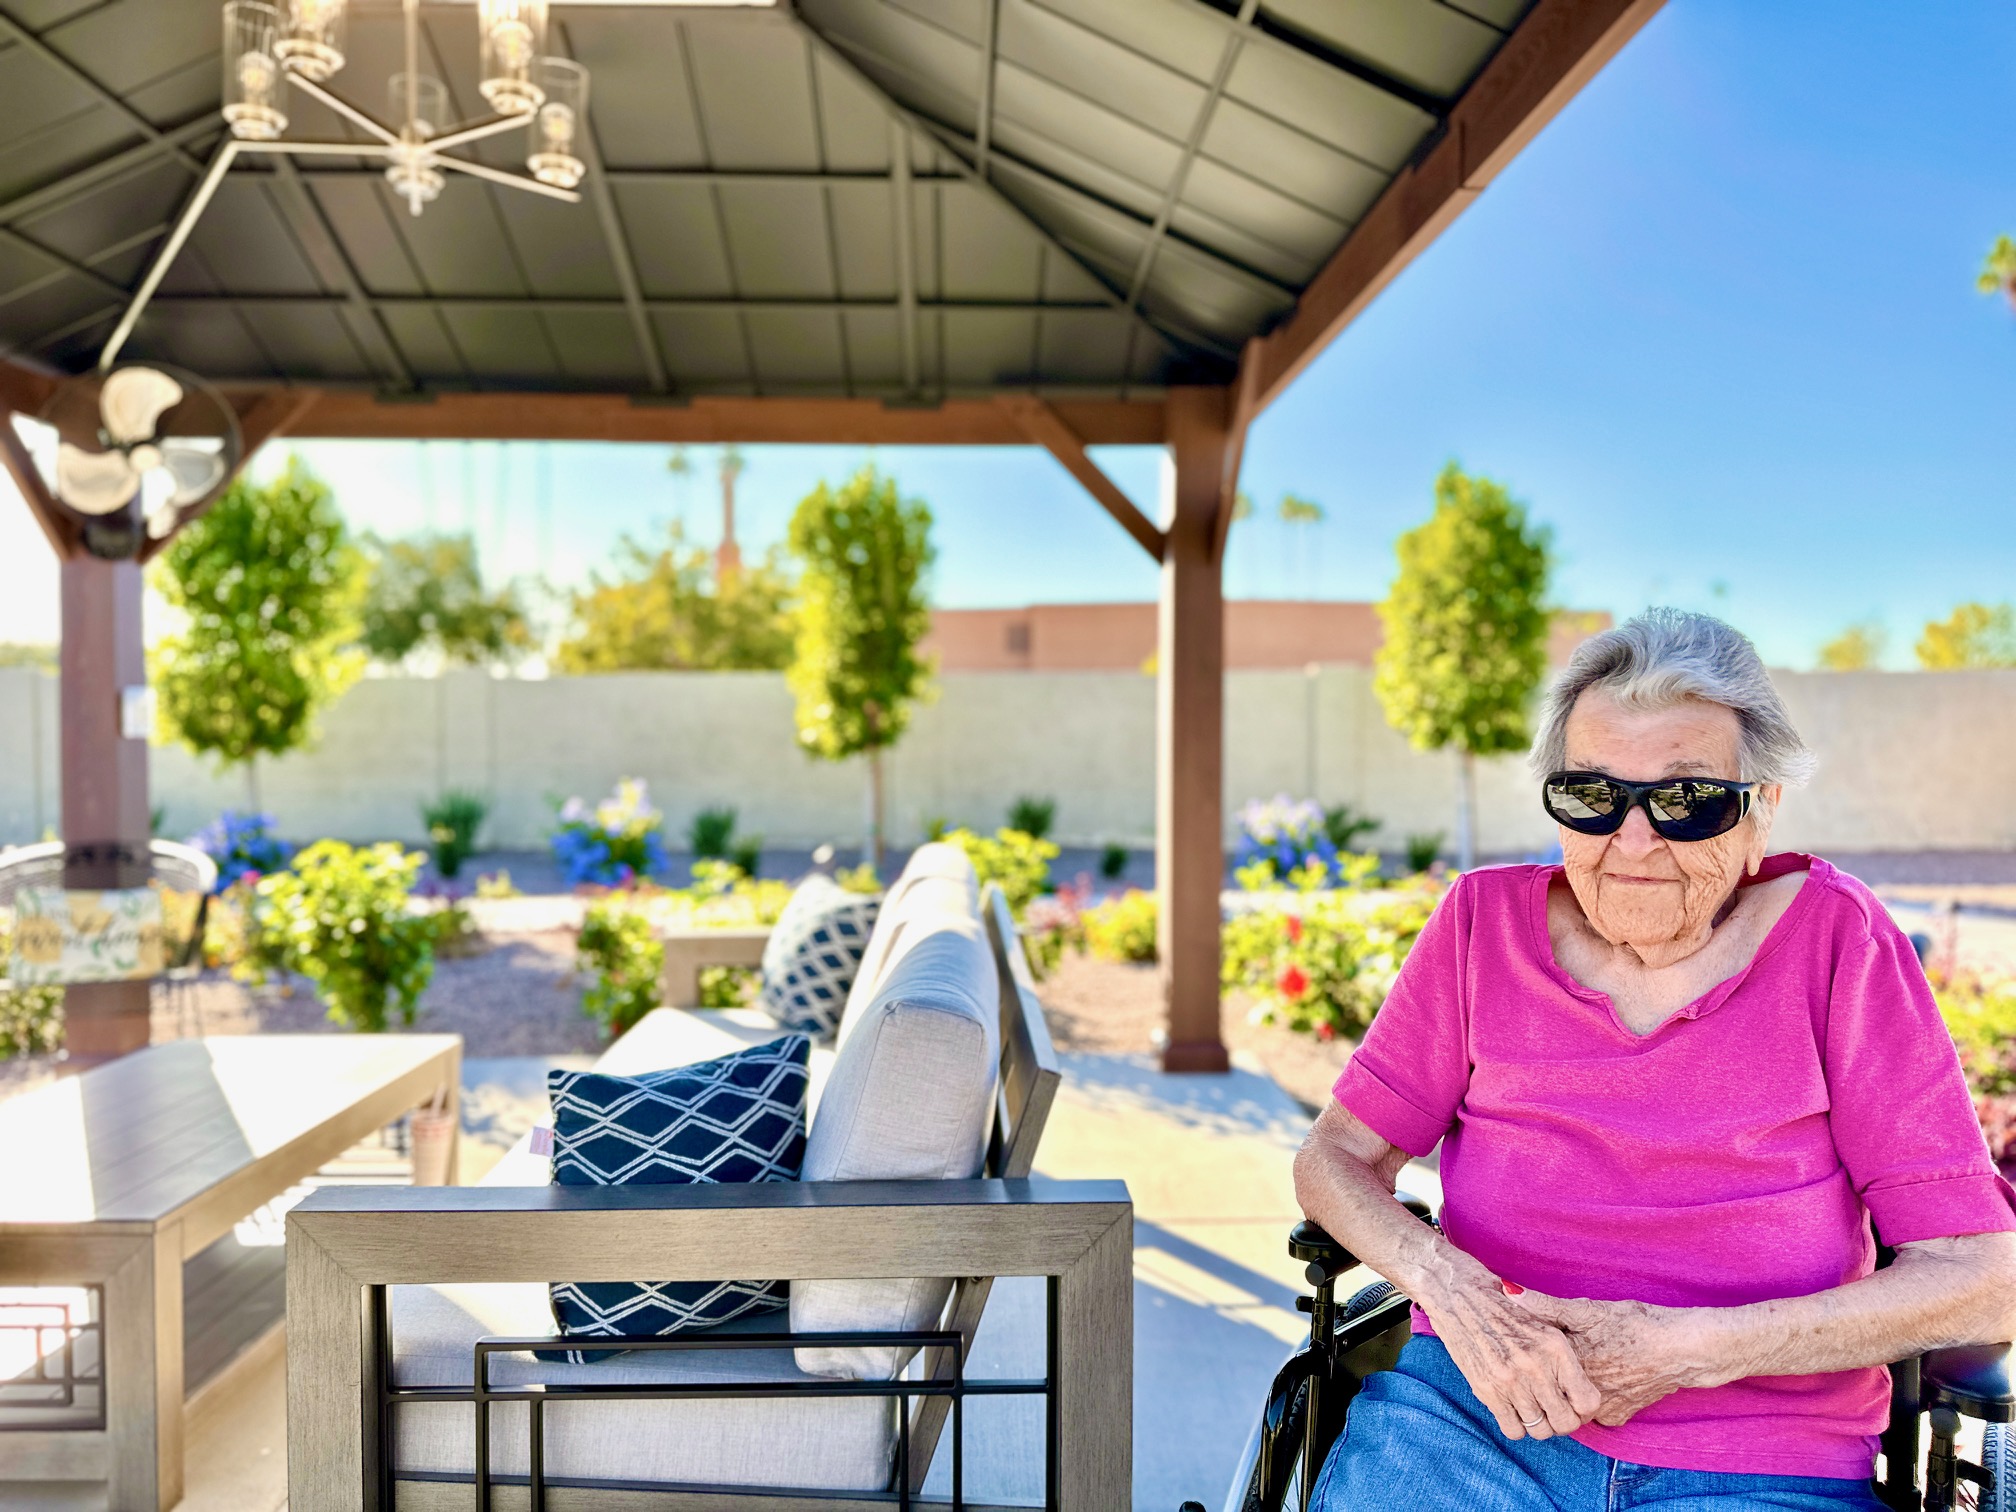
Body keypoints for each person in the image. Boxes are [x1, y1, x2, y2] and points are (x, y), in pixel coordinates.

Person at [1296, 607, 2016, 1511]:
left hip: (1759, 1460)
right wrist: (1456, 1291)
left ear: (1762, 811)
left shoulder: (1837, 943)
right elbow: (1335, 1159)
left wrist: (1686, 1350)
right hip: (1470, 1423)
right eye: (1591, 795)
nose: (1632, 843)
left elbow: (1982, 1279)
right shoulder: (1480, 927)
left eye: (1685, 802)